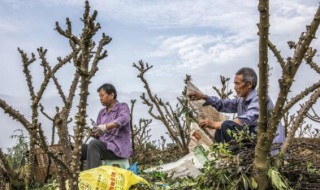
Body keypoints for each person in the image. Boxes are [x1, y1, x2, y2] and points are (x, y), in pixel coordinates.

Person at [187, 67, 285, 144]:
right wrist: (203, 96)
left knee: (225, 125)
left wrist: (214, 124)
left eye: (237, 84)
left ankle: (234, 155)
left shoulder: (260, 98)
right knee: (220, 129)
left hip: (268, 143)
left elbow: (245, 120)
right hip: (254, 139)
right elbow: (222, 104)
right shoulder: (241, 100)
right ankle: (223, 154)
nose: (235, 87)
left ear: (249, 84)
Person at [81, 83, 132, 170]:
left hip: (118, 150)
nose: (100, 98)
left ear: (111, 95)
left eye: (102, 95)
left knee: (94, 144)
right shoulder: (102, 113)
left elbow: (124, 118)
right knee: (80, 148)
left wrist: (106, 127)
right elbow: (99, 132)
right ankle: (77, 177)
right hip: (105, 148)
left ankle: (91, 176)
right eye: (99, 96)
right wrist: (95, 133)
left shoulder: (122, 107)